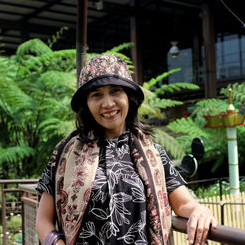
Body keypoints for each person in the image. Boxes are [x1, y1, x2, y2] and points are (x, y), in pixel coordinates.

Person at [36, 54, 217, 245]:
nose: (108, 103)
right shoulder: (65, 153)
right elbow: (43, 220)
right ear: (86, 104)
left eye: (115, 91)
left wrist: (199, 210)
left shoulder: (153, 153)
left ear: (128, 97)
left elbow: (184, 203)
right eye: (96, 94)